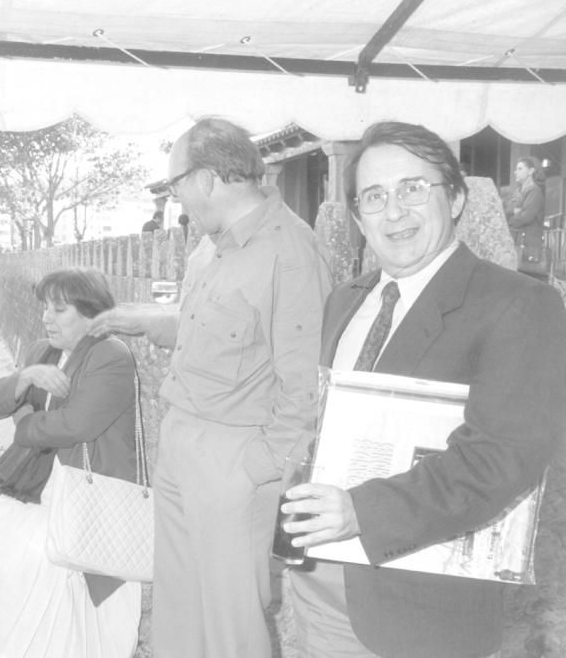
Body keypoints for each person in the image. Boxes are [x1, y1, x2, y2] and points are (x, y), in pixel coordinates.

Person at [283, 121, 566, 658]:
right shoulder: (345, 301)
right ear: (359, 216)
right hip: (320, 586)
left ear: (456, 198)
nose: (394, 211)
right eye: (374, 196)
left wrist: (361, 512)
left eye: (413, 188)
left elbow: (503, 458)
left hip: (419, 607)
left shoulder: (520, 304)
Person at [89, 117, 331, 657]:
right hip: (181, 441)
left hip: (233, 458)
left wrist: (260, 469)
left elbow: (306, 382)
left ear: (206, 179)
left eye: (176, 186)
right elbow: (216, 334)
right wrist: (146, 319)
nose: (177, 200)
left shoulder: (289, 252)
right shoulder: (211, 247)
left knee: (230, 624)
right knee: (179, 609)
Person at [0, 267, 142, 658]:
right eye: (45, 307)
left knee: (37, 554)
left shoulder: (111, 356)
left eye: (59, 309)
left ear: (91, 314)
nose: (46, 317)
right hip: (42, 485)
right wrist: (25, 376)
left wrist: (23, 424)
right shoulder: (40, 351)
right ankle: (3, 639)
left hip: (89, 490)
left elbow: (75, 425)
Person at [507, 156, 547, 278]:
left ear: (530, 171)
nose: (515, 172)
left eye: (519, 169)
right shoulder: (519, 191)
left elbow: (525, 217)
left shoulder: (535, 191)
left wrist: (509, 218)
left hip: (529, 248)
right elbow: (506, 210)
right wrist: (514, 211)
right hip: (518, 246)